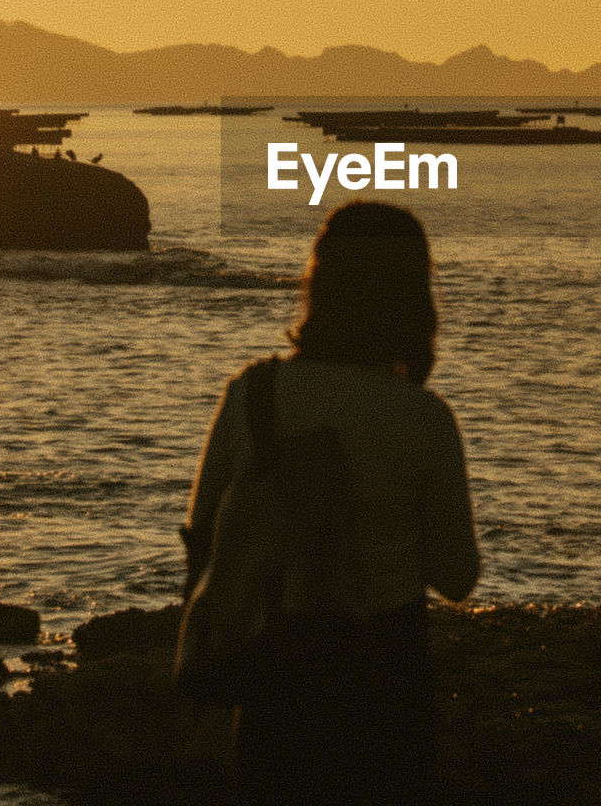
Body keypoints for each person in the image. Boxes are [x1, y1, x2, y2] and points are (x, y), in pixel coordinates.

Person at [183, 200, 480, 804]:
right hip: (386, 673)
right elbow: (457, 576)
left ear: (318, 283)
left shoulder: (254, 395)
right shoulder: (423, 417)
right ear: (412, 298)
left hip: (276, 670)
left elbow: (204, 541)